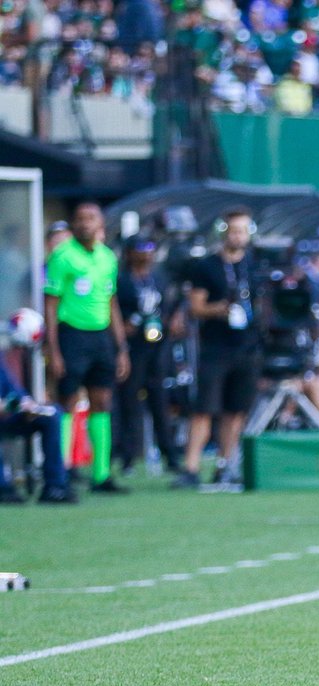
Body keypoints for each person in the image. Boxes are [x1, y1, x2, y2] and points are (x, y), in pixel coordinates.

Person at [44, 202, 130, 495]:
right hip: (72, 334)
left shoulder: (107, 257)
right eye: (79, 219)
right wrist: (53, 348)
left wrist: (121, 347)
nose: (84, 224)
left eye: (90, 218)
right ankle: (63, 470)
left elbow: (111, 301)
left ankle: (101, 473)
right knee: (68, 400)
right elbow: (51, 303)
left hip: (101, 336)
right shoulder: (63, 256)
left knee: (102, 401)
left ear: (100, 223)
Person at [174, 207, 261, 489]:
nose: (238, 236)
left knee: (235, 410)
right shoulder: (207, 266)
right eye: (233, 230)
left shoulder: (254, 265)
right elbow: (195, 308)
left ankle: (225, 464)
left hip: (246, 347)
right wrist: (219, 309)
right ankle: (191, 467)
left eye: (242, 230)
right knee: (204, 408)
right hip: (215, 347)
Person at [115, 235, 182, 474]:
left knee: (160, 401)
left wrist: (172, 319)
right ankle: (128, 456)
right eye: (140, 248)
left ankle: (170, 455)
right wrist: (124, 327)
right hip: (133, 348)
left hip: (157, 348)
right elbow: (114, 308)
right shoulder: (122, 281)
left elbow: (173, 303)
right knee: (129, 403)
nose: (146, 253)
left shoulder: (159, 278)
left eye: (150, 248)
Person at [0, 354, 73, 504]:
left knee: (52, 416)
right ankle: (3, 486)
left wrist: (27, 404)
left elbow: (13, 389)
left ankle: (55, 486)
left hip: (7, 416)